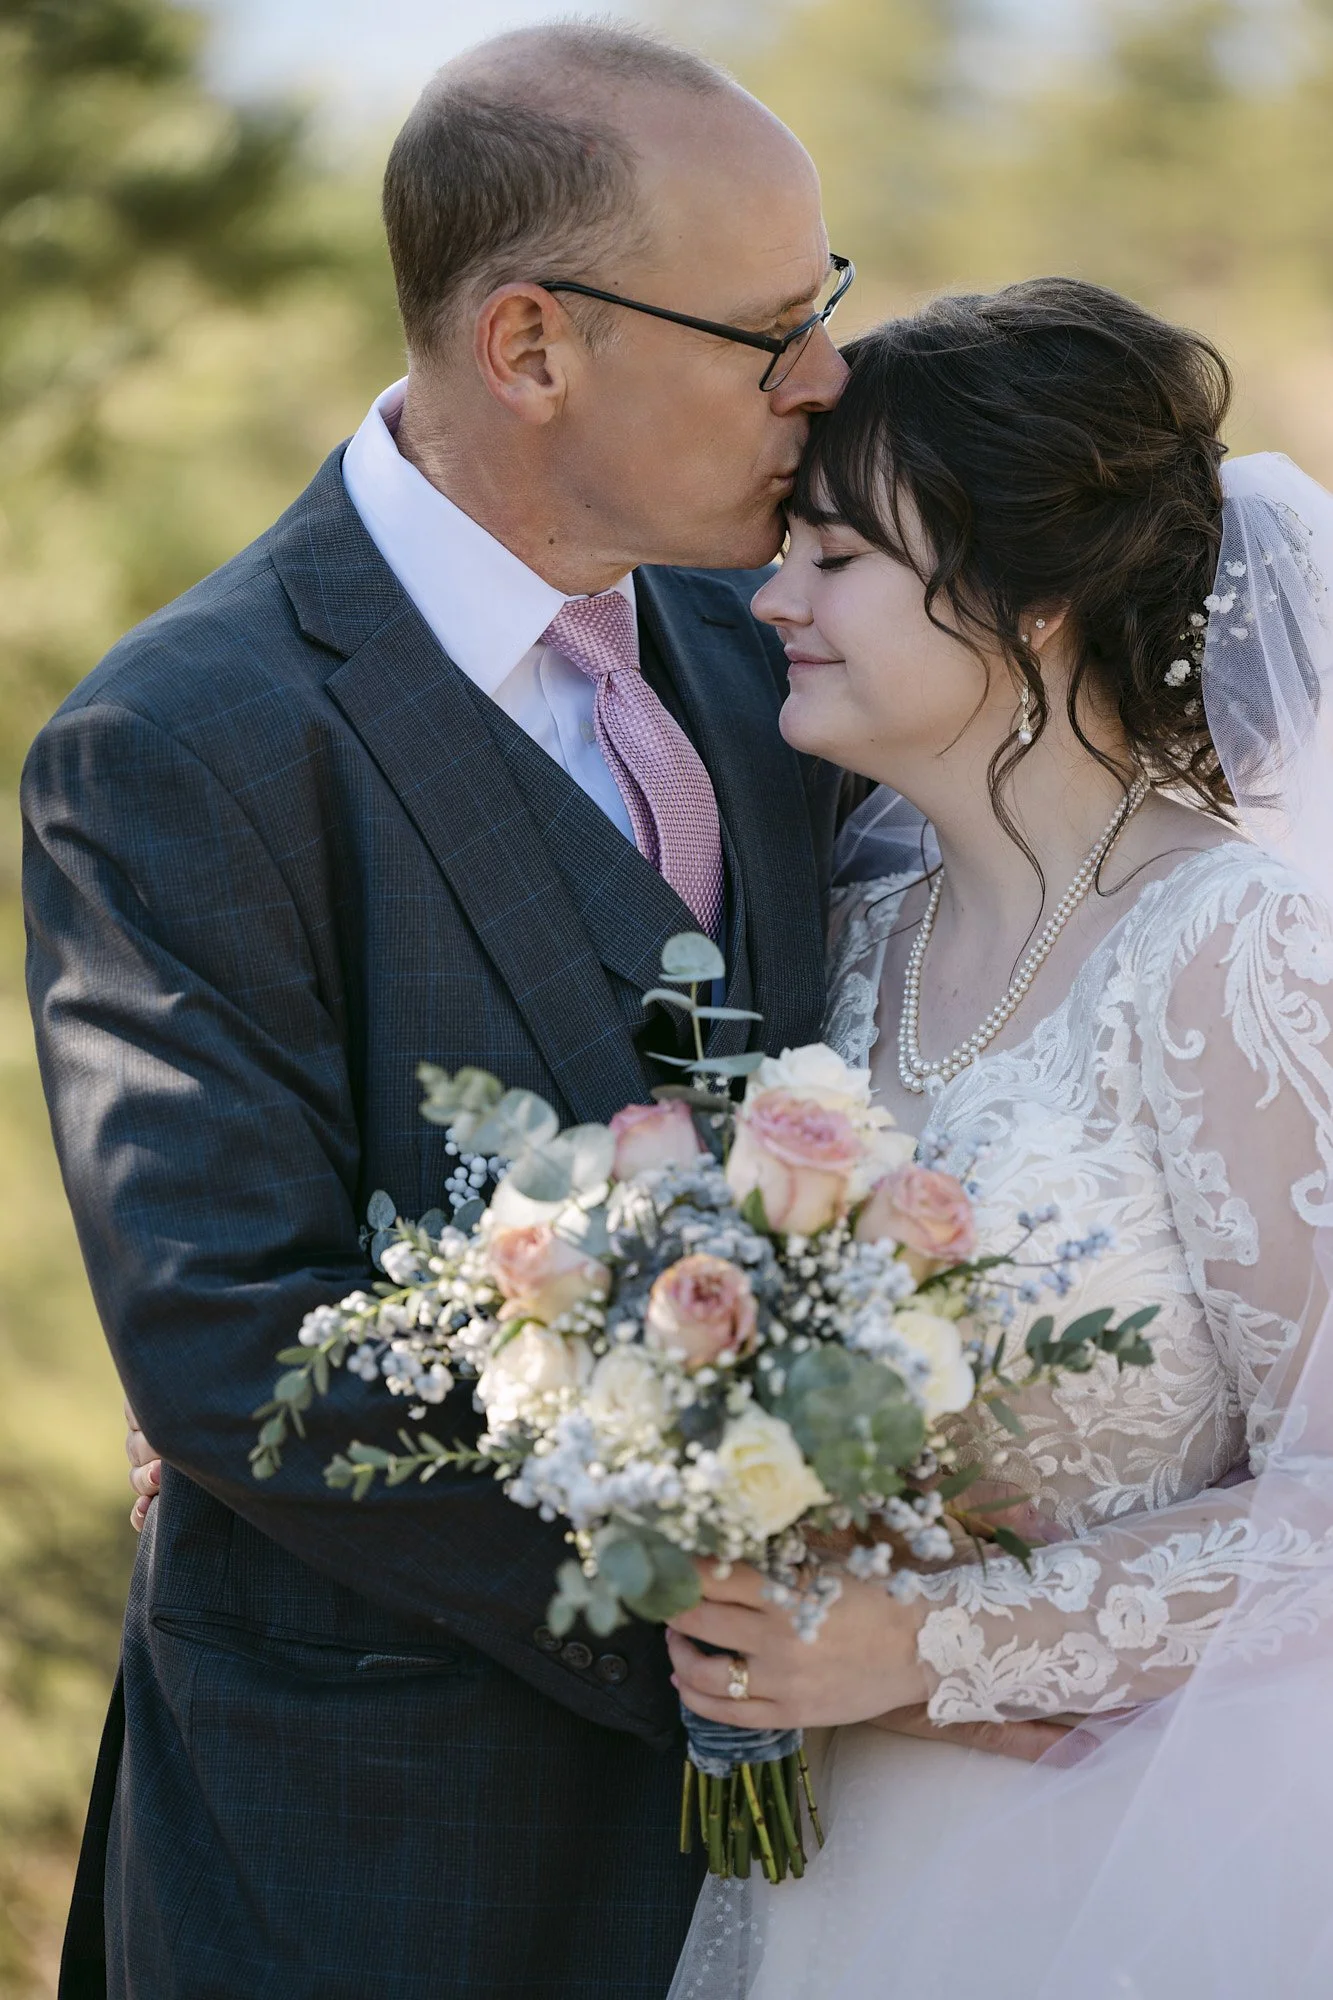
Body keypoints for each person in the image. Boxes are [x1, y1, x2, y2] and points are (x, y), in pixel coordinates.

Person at [22, 23, 854, 2000]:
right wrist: (720, 1637)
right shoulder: (180, 737)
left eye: (826, 306)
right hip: (371, 1847)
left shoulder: (794, 653)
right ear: (531, 346)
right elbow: (230, 1337)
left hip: (819, 1871)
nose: (827, 383)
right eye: (767, 334)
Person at [663, 281, 1333, 1997]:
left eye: (835, 558)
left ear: (1031, 598)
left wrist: (933, 1641)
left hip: (1131, 1866)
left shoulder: (1231, 951)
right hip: (833, 1857)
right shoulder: (842, 939)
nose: (770, 598)